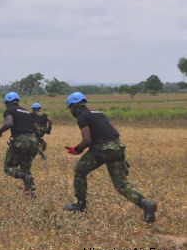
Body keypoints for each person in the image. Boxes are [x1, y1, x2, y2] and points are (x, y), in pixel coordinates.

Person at [63, 92, 157, 223]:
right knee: (121, 184)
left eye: (70, 108)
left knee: (79, 171)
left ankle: (80, 205)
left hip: (104, 148)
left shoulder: (82, 117)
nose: (71, 111)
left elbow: (87, 140)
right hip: (118, 147)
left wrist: (77, 149)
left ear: (74, 106)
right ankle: (145, 204)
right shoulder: (99, 113)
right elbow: (115, 132)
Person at [0, 92, 39, 197]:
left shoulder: (9, 110)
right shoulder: (27, 112)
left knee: (9, 167)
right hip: (34, 142)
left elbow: (9, 123)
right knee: (26, 169)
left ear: (7, 103)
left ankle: (25, 177)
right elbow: (38, 131)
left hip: (20, 141)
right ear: (17, 101)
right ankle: (32, 194)